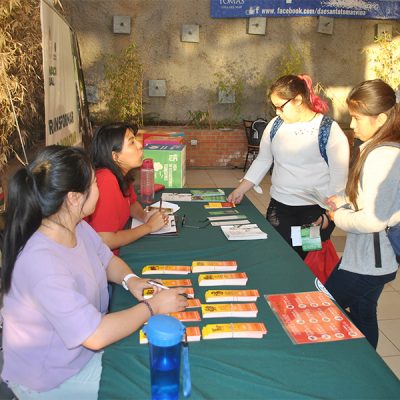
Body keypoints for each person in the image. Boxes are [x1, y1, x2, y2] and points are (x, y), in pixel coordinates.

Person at [0, 146, 187, 399]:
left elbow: (106, 259)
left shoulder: (74, 225)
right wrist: (152, 307)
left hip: (80, 354)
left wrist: (131, 281)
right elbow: (95, 335)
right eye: (95, 182)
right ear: (75, 198)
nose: (99, 187)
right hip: (52, 379)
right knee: (147, 382)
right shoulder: (42, 264)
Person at [228, 74, 350, 259]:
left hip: (314, 213)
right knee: (278, 256)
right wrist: (241, 189)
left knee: (307, 261)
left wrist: (328, 215)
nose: (277, 112)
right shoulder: (275, 126)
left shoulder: (327, 129)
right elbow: (263, 159)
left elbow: (339, 179)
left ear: (298, 100)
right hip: (280, 208)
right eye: (274, 107)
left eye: (280, 106)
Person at [325, 79, 400, 349]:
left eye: (356, 118)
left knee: (323, 306)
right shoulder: (376, 147)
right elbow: (371, 192)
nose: (352, 125)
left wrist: (338, 216)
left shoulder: (384, 155)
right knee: (363, 311)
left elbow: (374, 219)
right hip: (371, 258)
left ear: (380, 118)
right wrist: (342, 198)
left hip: (371, 262)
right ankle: (370, 376)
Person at [87, 123, 167, 254]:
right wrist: (149, 227)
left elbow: (131, 203)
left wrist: (144, 216)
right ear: (115, 156)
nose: (140, 145)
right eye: (131, 142)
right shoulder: (104, 180)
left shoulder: (120, 173)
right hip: (104, 263)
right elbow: (106, 240)